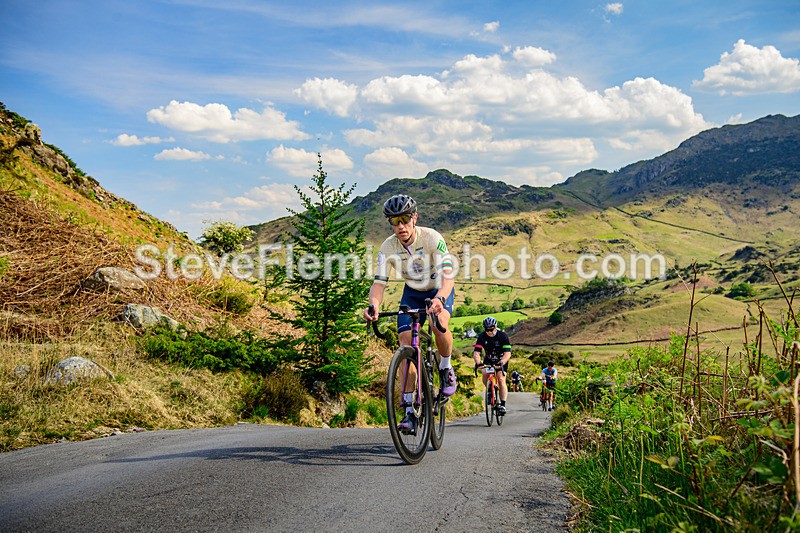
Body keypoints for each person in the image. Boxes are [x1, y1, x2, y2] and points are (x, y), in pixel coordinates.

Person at [364, 194, 456, 433]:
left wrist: (440, 299)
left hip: (438, 289)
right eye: (394, 222)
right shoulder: (388, 247)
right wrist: (374, 305)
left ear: (415, 217)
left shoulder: (432, 238)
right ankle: (408, 409)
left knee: (438, 323)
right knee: (405, 344)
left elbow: (448, 276)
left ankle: (445, 367)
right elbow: (379, 283)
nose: (400, 226)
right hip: (413, 293)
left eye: (404, 219)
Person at [472, 316, 512, 414]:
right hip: (489, 360)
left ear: (495, 327)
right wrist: (478, 363)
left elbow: (507, 353)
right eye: (487, 330)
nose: (489, 332)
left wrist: (502, 362)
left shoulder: (502, 336)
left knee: (501, 379)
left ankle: (503, 405)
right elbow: (476, 352)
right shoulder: (482, 337)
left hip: (501, 360)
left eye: (491, 329)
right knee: (485, 374)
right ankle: (490, 389)